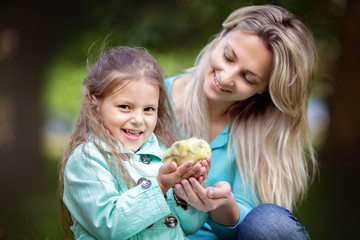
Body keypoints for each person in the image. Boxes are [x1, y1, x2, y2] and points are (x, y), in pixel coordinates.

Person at [165, 4, 317, 240]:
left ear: (266, 88)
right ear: (223, 34)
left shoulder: (260, 134)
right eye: (228, 56)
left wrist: (224, 206)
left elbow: (254, 230)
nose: (225, 77)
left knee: (270, 222)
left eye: (248, 77)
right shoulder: (150, 100)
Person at [58, 47, 209, 239]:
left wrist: (183, 194)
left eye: (148, 109)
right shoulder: (87, 160)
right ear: (95, 103)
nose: (138, 119)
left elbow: (189, 227)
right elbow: (111, 226)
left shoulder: (163, 153)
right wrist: (160, 185)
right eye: (125, 107)